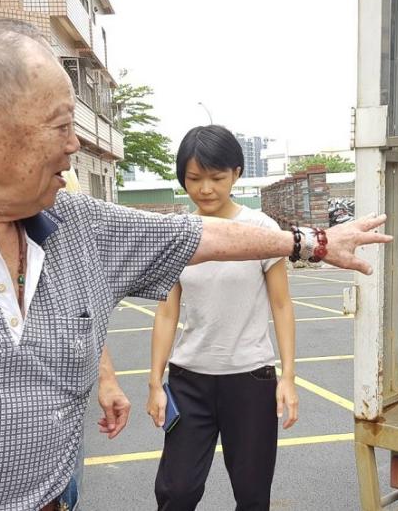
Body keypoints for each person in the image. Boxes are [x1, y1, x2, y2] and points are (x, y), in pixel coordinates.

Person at [0, 19, 390, 510]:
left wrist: (310, 241)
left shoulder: (76, 225)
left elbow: (193, 234)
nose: (76, 145)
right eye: (62, 125)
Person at [147, 125, 297, 510]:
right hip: (188, 381)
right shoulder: (179, 232)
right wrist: (154, 383)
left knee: (251, 494)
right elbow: (167, 310)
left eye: (217, 177)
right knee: (176, 492)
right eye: (194, 179)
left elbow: (281, 305)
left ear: (237, 174)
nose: (206, 189)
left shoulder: (261, 230)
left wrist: (289, 378)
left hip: (250, 380)